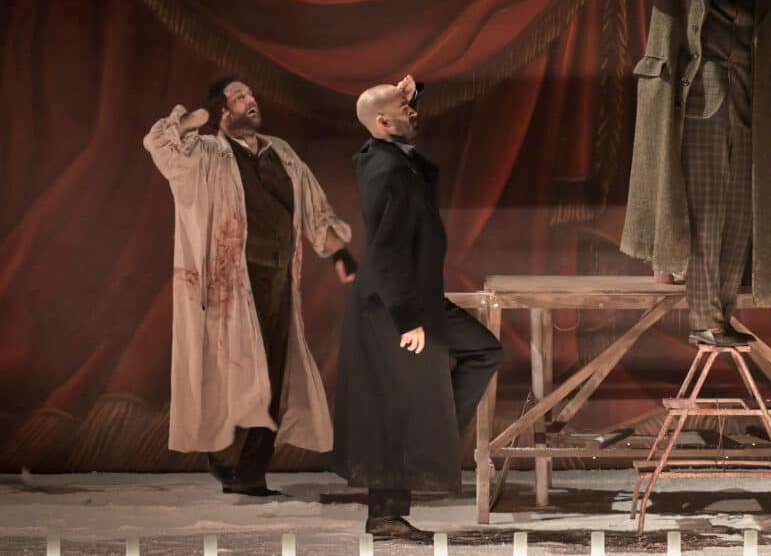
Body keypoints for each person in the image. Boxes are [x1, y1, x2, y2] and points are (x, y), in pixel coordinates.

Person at [608, 0, 771, 346]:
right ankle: (704, 321)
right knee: (705, 217)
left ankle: (723, 316)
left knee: (741, 215)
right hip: (697, 108)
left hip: (748, 110)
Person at [144, 77, 355, 495]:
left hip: (277, 279)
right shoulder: (205, 154)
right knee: (236, 375)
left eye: (252, 95)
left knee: (273, 376)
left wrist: (340, 252)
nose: (252, 100)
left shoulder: (283, 154)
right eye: (240, 97)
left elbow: (314, 209)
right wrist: (189, 121)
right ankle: (229, 465)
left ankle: (252, 473)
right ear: (222, 110)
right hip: (229, 285)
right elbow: (159, 146)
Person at [332, 76, 502, 539]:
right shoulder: (384, 170)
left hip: (410, 299)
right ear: (382, 122)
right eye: (404, 108)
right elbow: (386, 249)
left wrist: (411, 92)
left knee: (480, 352)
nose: (416, 111)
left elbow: (404, 133)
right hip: (391, 308)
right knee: (393, 406)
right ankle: (385, 515)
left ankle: (431, 435)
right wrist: (407, 319)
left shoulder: (389, 156)